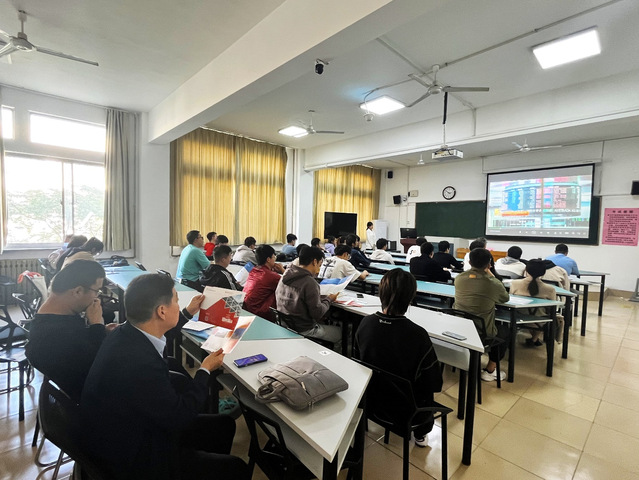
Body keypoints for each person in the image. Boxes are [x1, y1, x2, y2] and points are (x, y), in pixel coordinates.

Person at [81, 274, 248, 480]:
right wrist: (204, 370)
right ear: (162, 311)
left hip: (125, 430)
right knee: (235, 467)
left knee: (223, 425)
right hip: (134, 456)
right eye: (176, 301)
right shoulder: (141, 364)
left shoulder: (125, 333)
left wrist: (187, 313)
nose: (179, 306)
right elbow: (180, 417)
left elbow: (160, 333)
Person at [354, 269, 442, 447]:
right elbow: (434, 384)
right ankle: (420, 434)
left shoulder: (365, 323)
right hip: (405, 412)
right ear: (411, 297)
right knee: (425, 392)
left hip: (370, 401)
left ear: (381, 293)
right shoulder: (418, 335)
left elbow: (358, 364)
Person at [25, 260, 110, 402]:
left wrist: (101, 329)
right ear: (78, 291)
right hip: (97, 400)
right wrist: (96, 325)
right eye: (96, 291)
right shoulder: (58, 336)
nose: (97, 298)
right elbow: (100, 365)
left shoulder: (48, 320)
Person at [454, 248, 510, 382]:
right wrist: (491, 275)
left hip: (460, 327)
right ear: (489, 264)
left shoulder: (459, 278)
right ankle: (490, 370)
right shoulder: (493, 283)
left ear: (469, 262)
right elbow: (505, 298)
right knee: (505, 331)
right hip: (481, 332)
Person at [275, 246, 341, 345]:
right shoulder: (309, 282)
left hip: (284, 326)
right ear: (314, 262)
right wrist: (329, 299)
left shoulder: (286, 275)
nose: (318, 269)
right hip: (304, 330)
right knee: (340, 332)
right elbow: (318, 313)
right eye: (319, 265)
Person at [510, 259, 557, 347]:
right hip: (540, 321)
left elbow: (511, 301)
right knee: (542, 313)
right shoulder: (550, 289)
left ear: (526, 270)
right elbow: (552, 309)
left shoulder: (515, 283)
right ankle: (534, 339)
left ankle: (534, 339)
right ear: (543, 272)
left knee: (532, 313)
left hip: (518, 318)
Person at [242, 245, 283, 321]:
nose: (275, 259)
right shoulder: (272, 276)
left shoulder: (253, 270)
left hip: (246, 309)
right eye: (274, 257)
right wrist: (283, 271)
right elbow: (288, 284)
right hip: (259, 313)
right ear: (268, 259)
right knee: (281, 290)